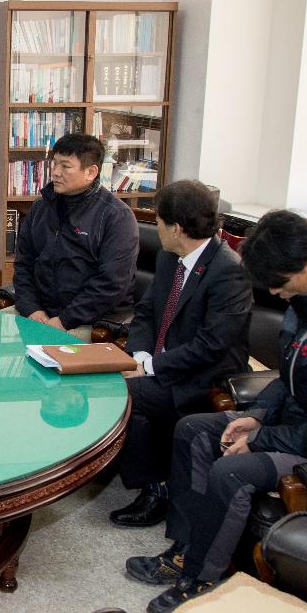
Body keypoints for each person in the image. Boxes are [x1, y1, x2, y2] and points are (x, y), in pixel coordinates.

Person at [126, 209, 307, 613]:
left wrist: (262, 438)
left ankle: (201, 578)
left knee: (232, 470)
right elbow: (293, 374)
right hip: (303, 424)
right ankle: (185, 548)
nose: (280, 296)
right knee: (194, 430)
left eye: (281, 286)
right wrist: (260, 414)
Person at [108, 180, 252, 528]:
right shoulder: (170, 257)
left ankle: (158, 490)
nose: (155, 227)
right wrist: (138, 356)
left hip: (204, 375)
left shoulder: (228, 271)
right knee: (121, 390)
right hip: (164, 362)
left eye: (158, 221)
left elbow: (211, 346)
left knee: (120, 393)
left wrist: (152, 366)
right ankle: (154, 482)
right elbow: (146, 312)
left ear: (176, 228)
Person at [10, 133, 138, 339]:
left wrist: (64, 320)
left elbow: (112, 283)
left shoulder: (116, 217)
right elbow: (24, 265)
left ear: (91, 172)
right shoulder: (40, 207)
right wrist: (32, 309)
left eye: (65, 166)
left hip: (89, 320)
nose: (55, 173)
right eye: (55, 164)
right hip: (41, 312)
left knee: (47, 351)